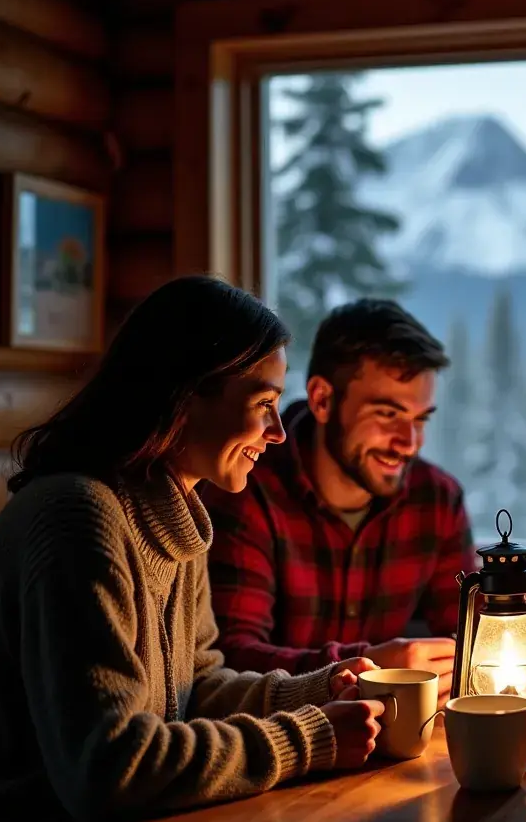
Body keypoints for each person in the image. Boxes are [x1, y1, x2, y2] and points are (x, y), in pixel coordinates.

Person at [0, 275, 385, 822]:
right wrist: (312, 737)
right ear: (185, 394)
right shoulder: (78, 520)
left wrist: (320, 688)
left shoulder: (171, 514)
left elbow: (195, 691)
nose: (279, 433)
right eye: (264, 404)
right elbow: (109, 768)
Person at [201, 299, 474, 705]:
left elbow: (471, 635)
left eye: (420, 419)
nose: (409, 442)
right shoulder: (246, 486)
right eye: (387, 414)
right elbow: (231, 662)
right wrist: (367, 666)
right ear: (323, 399)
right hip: (276, 745)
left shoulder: (436, 500)